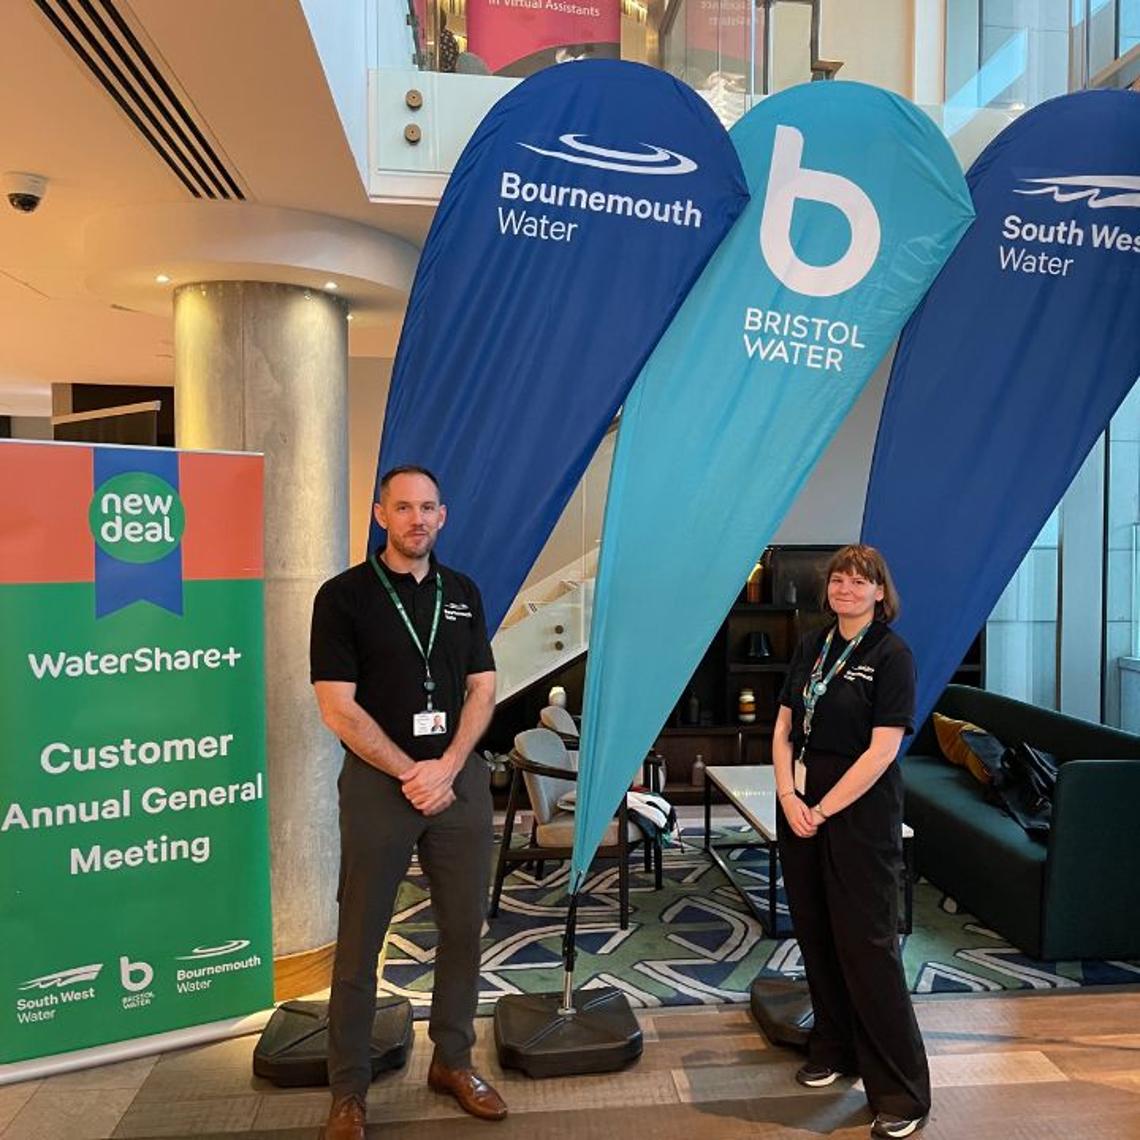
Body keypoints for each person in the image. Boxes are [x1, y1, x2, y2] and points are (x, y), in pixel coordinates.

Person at [310, 466, 505, 1140]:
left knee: (462, 929)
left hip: (458, 782)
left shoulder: (464, 593)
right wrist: (410, 772)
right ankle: (348, 1092)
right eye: (403, 508)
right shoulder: (344, 597)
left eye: (427, 508)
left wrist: (447, 766)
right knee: (362, 939)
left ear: (442, 517)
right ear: (379, 514)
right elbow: (337, 708)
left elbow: (483, 686)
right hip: (376, 782)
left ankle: (452, 1061)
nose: (417, 519)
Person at [772, 545, 931, 1140]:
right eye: (838, 579)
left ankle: (902, 1091)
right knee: (815, 932)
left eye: (859, 581)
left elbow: (883, 749)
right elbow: (785, 726)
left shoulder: (892, 655)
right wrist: (789, 798)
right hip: (802, 805)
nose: (846, 588)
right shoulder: (814, 645)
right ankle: (834, 1047)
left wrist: (821, 809)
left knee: (868, 947)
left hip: (859, 814)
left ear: (879, 592)